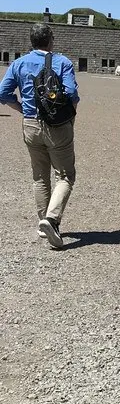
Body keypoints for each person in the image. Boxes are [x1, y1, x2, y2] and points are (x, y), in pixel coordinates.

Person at [0, 23, 79, 248]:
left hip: (30, 124)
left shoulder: (19, 63)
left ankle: (43, 222)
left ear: (31, 41)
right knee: (65, 175)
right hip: (57, 125)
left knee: (40, 176)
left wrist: (22, 108)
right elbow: (72, 93)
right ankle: (52, 221)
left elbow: (2, 93)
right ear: (51, 40)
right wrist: (69, 117)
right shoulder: (62, 62)